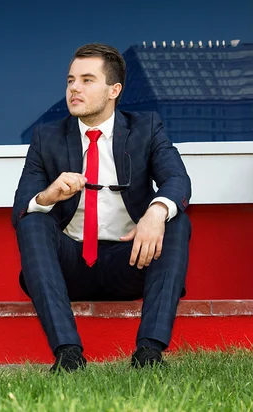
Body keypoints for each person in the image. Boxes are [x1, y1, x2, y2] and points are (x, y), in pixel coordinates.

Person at [12, 43, 191, 371]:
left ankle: (149, 352)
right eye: (70, 80)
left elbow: (177, 180)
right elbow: (20, 209)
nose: (74, 88)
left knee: (174, 218)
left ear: (114, 90)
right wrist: (47, 197)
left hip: (130, 261)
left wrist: (155, 212)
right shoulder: (46, 138)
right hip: (68, 267)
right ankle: (68, 354)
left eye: (86, 80)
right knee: (33, 220)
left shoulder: (145, 128)